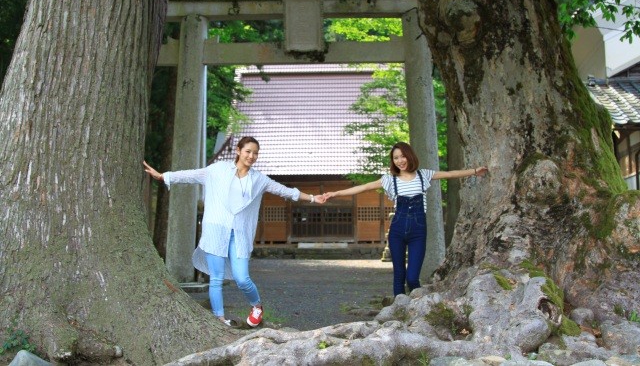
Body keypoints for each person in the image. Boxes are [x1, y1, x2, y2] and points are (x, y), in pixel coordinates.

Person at [143, 136, 326, 327]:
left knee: (242, 278)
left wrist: (313, 198)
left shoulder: (259, 179)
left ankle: (256, 306)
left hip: (239, 234)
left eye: (255, 153)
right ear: (238, 151)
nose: (252, 156)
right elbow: (191, 175)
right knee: (216, 278)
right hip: (216, 230)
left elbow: (285, 191)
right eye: (248, 151)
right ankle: (219, 319)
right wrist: (164, 176)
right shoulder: (218, 169)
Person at [324, 142, 487, 297]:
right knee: (399, 275)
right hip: (397, 230)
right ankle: (398, 310)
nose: (400, 161)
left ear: (409, 156)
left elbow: (450, 174)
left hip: (418, 231)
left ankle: (418, 306)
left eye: (402, 156)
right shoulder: (389, 180)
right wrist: (335, 193)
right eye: (396, 158)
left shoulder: (423, 175)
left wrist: (474, 171)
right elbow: (363, 187)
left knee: (412, 277)